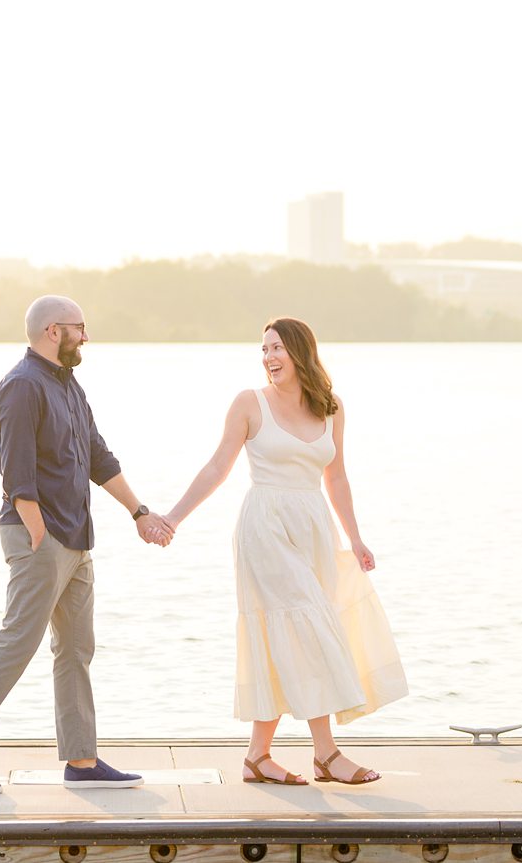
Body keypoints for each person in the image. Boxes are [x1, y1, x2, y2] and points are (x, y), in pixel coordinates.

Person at [0, 294, 174, 793]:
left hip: (76, 537)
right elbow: (14, 467)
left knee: (76, 649)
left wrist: (139, 512)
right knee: (18, 641)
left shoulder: (68, 385)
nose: (86, 336)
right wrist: (38, 534)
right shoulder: (21, 386)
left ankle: (81, 762)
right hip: (39, 536)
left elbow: (98, 456)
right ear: (52, 331)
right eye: (79, 328)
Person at [162, 316, 406, 786]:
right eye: (264, 350)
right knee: (309, 626)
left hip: (313, 527)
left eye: (277, 348)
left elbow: (336, 476)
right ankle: (327, 754)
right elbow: (217, 466)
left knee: (289, 637)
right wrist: (173, 517)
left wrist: (355, 538)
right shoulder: (249, 404)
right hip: (265, 528)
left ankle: (257, 756)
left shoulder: (331, 406)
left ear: (300, 352)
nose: (269, 358)